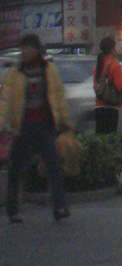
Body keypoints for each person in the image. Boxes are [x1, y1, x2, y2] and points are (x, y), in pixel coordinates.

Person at [2, 33, 71, 223]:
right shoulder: (15, 73)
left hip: (44, 125)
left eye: (28, 48)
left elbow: (58, 96)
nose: (25, 52)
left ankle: (60, 207)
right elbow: (5, 100)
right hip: (23, 126)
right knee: (15, 167)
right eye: (23, 48)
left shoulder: (49, 70)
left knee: (53, 166)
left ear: (37, 50)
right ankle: (13, 209)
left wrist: (64, 121)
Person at [93, 35, 122, 134]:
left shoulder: (98, 66)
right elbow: (120, 87)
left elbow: (96, 87)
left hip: (99, 107)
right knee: (110, 137)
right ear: (112, 49)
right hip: (111, 108)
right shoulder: (114, 66)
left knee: (101, 137)